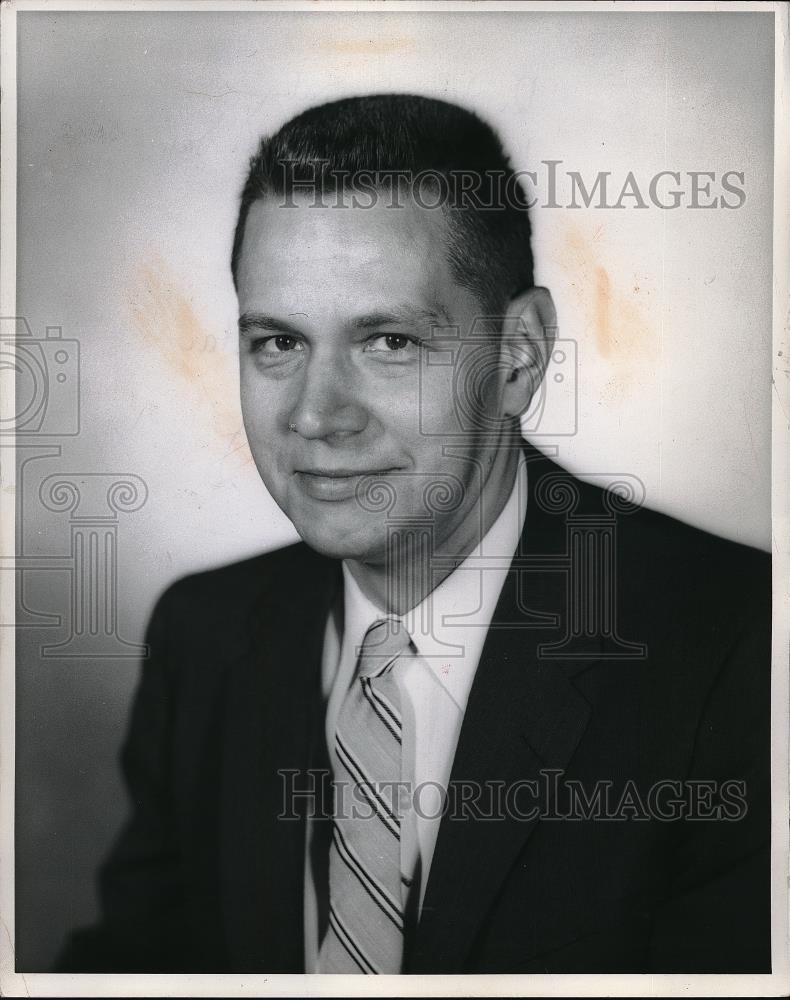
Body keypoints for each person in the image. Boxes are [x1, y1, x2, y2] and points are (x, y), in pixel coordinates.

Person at [56, 94, 771, 974]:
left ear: (519, 355)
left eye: (388, 341)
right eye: (277, 342)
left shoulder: (742, 647)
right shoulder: (203, 636)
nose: (316, 416)